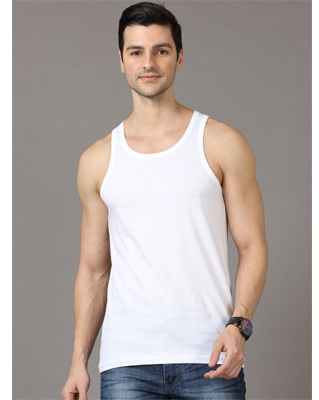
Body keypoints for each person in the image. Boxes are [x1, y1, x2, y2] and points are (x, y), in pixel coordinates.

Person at [61, 2, 268, 399]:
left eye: (161, 50)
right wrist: (77, 362)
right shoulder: (97, 160)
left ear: (180, 57)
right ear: (121, 61)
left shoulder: (221, 143)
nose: (148, 63)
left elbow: (252, 246)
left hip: (211, 357)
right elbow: (93, 270)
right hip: (127, 364)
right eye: (136, 52)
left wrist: (238, 327)